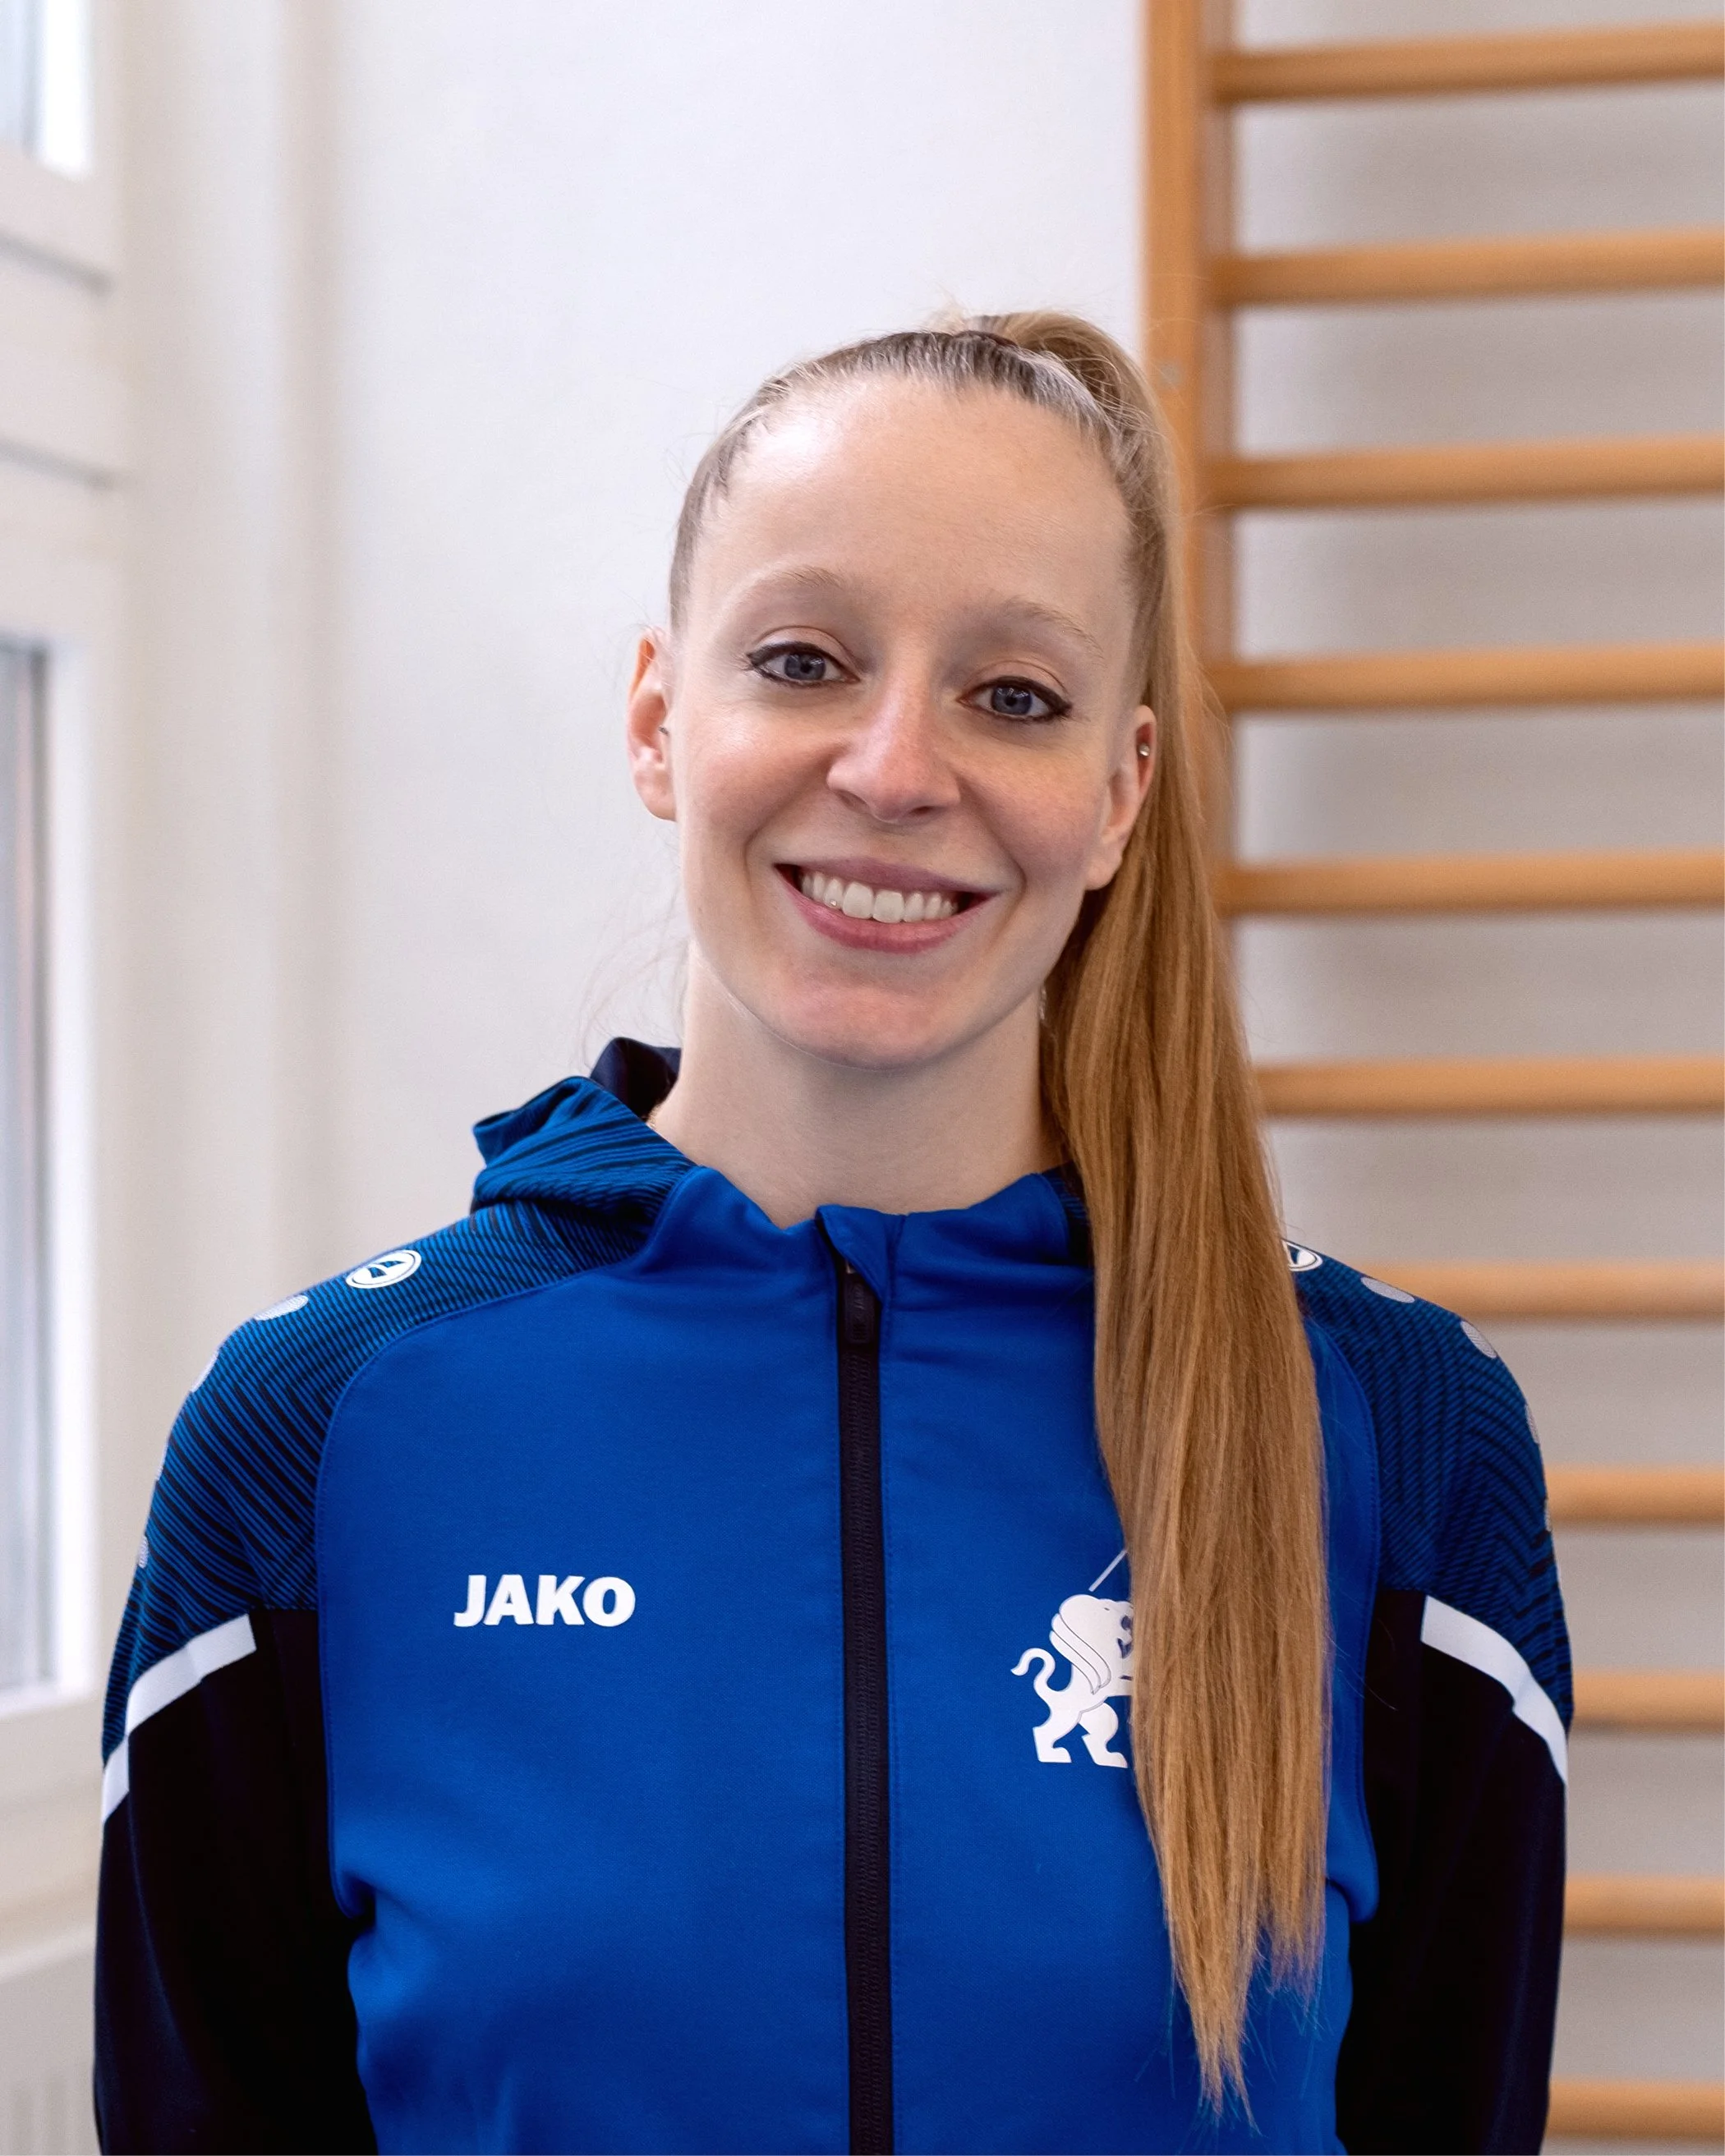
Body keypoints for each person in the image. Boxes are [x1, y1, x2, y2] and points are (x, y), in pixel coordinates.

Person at [94, 315, 1568, 2156]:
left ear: (1120, 790)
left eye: (1011, 696)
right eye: (804, 660)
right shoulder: (316, 1439)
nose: (892, 765)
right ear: (658, 719)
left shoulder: (1400, 1436)